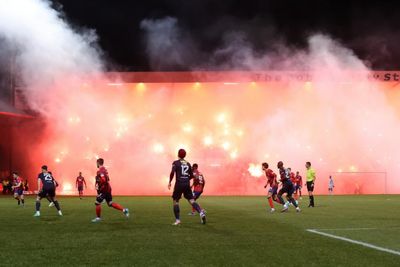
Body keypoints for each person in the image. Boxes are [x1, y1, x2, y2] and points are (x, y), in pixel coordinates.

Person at [168, 149, 206, 225]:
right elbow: (192, 176)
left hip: (179, 184)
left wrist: (169, 182)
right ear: (185, 155)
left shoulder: (176, 163)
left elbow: (172, 172)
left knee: (176, 201)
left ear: (178, 154)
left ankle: (178, 220)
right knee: (191, 200)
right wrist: (186, 179)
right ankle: (201, 212)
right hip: (186, 184)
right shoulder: (188, 164)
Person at [92, 158, 129, 222]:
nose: (96, 164)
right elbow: (108, 179)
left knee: (97, 203)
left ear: (98, 163)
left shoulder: (100, 171)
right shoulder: (105, 170)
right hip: (108, 189)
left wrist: (100, 185)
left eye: (96, 163)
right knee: (110, 203)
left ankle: (98, 218)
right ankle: (124, 210)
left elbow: (103, 179)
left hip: (104, 190)